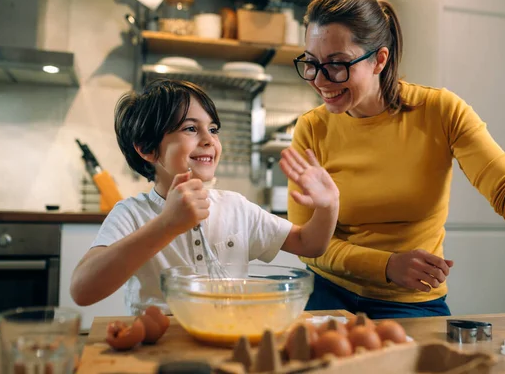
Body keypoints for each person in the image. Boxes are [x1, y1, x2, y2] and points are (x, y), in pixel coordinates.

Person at [287, 0, 505, 318]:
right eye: (311, 63)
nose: (321, 81)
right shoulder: (311, 128)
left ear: (379, 59)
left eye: (337, 65)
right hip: (328, 296)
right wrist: (386, 265)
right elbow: (304, 242)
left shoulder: (441, 111)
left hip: (411, 302)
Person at [70, 79, 339, 314]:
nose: (209, 139)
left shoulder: (236, 207)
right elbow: (82, 290)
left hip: (225, 339)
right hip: (156, 347)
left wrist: (328, 206)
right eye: (190, 129)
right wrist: (167, 225)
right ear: (147, 149)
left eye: (213, 129)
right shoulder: (131, 214)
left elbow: (309, 243)